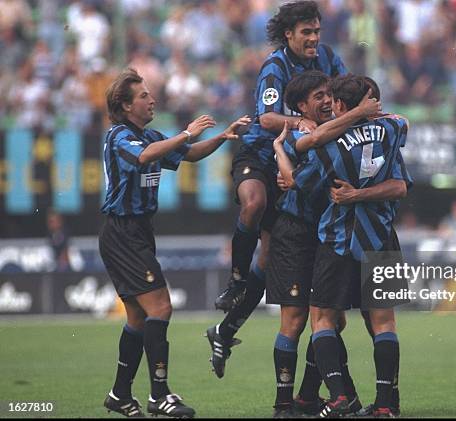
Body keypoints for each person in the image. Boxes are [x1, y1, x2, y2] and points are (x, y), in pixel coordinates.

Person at [99, 68, 250, 418]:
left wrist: (223, 137)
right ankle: (159, 395)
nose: (152, 99)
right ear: (124, 105)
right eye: (143, 96)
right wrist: (185, 132)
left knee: (138, 316)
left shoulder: (148, 134)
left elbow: (188, 155)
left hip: (137, 233)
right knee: (161, 308)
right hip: (123, 232)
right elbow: (144, 157)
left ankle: (120, 394)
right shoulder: (119, 136)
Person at [207, 0, 347, 377]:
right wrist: (303, 121)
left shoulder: (330, 59)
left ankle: (225, 330)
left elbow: (347, 98)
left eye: (317, 31)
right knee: (253, 203)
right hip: (260, 154)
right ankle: (235, 282)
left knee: (269, 260)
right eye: (307, 32)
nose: (315, 38)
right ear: (289, 34)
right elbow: (267, 117)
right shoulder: (276, 64)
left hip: (295, 163)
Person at [275, 75, 411, 417]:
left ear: (339, 105)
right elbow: (400, 182)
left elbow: (297, 179)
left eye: (331, 100)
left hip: (338, 238)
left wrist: (280, 151)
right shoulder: (393, 130)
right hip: (381, 234)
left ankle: (337, 397)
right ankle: (385, 406)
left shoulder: (328, 146)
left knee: (322, 319)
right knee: (383, 323)